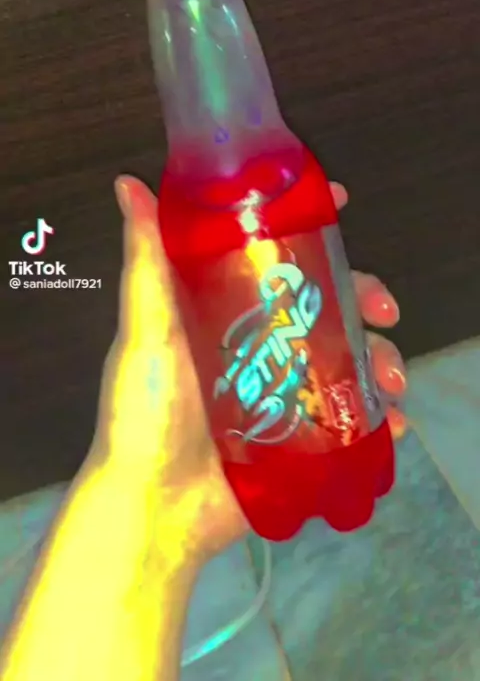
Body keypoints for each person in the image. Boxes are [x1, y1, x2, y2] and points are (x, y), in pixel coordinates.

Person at [0, 175, 407, 681]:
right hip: (242, 468)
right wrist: (148, 495)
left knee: (316, 290)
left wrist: (153, 509)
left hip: (328, 448)